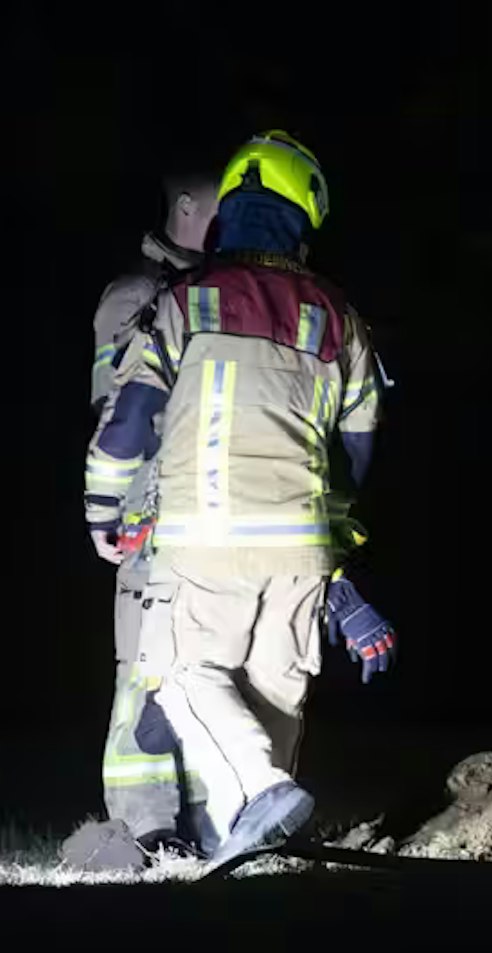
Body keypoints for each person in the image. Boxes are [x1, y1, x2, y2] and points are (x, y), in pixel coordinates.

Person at [84, 130, 397, 870]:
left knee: (176, 675)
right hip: (300, 550)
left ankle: (260, 792)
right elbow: (354, 455)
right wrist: (335, 565)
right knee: (273, 694)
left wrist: (103, 509)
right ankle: (252, 852)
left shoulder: (184, 302)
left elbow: (127, 421)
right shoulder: (341, 317)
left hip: (203, 540)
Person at [82, 167, 220, 858]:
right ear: (188, 204)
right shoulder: (136, 295)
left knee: (206, 661)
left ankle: (205, 820)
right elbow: (118, 411)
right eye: (224, 196)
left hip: (210, 509)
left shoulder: (218, 287)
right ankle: (144, 824)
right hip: (154, 511)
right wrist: (119, 505)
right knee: (144, 662)